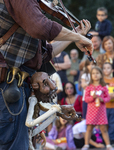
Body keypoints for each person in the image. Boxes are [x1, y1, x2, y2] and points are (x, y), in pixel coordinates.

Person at [0, 0, 93, 149]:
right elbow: (40, 26)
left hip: (16, 88)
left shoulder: (31, 9)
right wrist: (78, 37)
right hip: (7, 86)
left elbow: (44, 55)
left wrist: (75, 35)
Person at [82, 66, 114, 150]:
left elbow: (108, 98)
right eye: (93, 73)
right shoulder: (89, 87)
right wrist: (92, 97)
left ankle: (108, 145)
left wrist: (102, 99)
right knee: (89, 128)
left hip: (101, 111)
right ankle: (86, 145)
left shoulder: (103, 87)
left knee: (103, 128)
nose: (95, 75)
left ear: (101, 75)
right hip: (91, 111)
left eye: (97, 73)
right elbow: (86, 99)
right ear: (91, 75)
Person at [103, 62, 114, 144]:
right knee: (104, 123)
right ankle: (104, 139)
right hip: (104, 106)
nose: (106, 70)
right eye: (104, 68)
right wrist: (107, 95)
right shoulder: (102, 80)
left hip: (113, 106)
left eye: (108, 68)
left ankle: (111, 139)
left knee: (113, 123)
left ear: (112, 70)